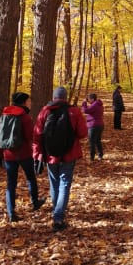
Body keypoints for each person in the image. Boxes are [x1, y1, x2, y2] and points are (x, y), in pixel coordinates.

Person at [33, 86, 88, 231]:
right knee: (64, 183)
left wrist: (37, 153)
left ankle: (56, 213)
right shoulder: (74, 111)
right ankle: (58, 218)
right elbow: (83, 133)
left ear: (53, 97)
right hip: (69, 154)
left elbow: (37, 134)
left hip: (50, 155)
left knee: (54, 183)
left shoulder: (45, 111)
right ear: (66, 97)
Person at [0, 92, 46, 222]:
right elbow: (30, 136)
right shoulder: (25, 117)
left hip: (8, 154)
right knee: (30, 178)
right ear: (23, 102)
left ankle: (11, 212)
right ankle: (35, 203)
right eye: (28, 101)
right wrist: (36, 152)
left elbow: (1, 135)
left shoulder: (5, 115)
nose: (30, 103)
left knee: (11, 183)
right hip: (24, 154)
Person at [81, 93, 105, 161]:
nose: (88, 101)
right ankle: (100, 155)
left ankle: (92, 157)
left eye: (88, 99)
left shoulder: (94, 105)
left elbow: (85, 110)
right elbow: (90, 111)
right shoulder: (99, 104)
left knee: (92, 142)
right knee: (98, 141)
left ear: (92, 99)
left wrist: (84, 103)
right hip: (100, 125)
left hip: (94, 125)